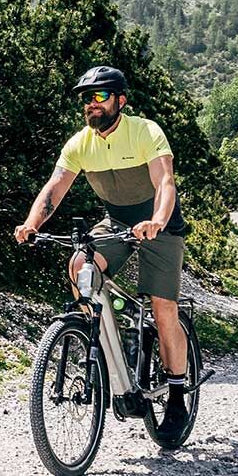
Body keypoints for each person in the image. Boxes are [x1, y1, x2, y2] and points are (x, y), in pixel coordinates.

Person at [14, 64, 192, 441]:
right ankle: (98, 340)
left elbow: (164, 182)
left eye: (99, 96)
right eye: (86, 99)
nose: (90, 105)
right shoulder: (81, 143)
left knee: (163, 309)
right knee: (81, 264)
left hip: (159, 225)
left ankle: (176, 395)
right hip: (117, 222)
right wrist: (32, 224)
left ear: (120, 101)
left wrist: (158, 219)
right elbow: (55, 187)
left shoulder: (145, 131)